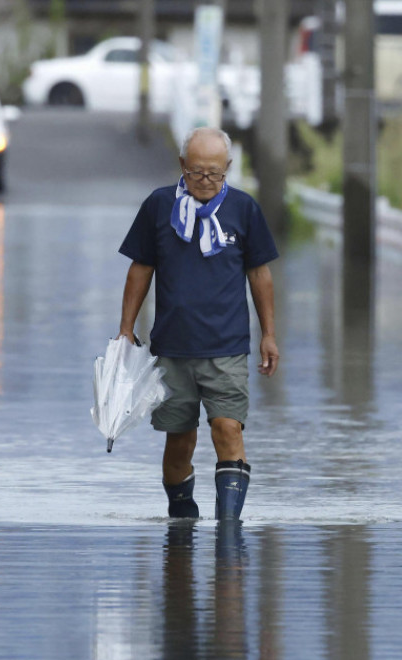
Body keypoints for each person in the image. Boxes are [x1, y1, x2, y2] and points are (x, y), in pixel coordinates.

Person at [117, 126, 280, 521]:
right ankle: (182, 515)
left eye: (215, 173)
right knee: (180, 442)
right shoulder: (159, 206)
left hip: (226, 348)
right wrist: (125, 328)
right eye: (196, 173)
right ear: (181, 167)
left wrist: (269, 335)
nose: (205, 181)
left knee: (228, 430)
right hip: (172, 349)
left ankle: (229, 527)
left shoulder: (244, 209)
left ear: (228, 168)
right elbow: (141, 270)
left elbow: (260, 275)